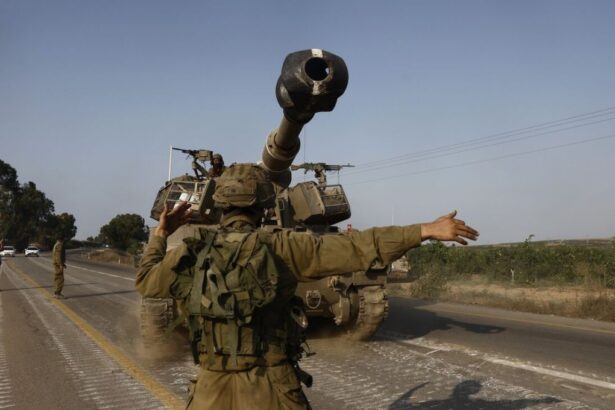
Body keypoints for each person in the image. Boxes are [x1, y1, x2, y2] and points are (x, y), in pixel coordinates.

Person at [136, 163, 479, 410]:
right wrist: (424, 230)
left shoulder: (190, 251)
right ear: (264, 205)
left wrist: (161, 235)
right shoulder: (284, 246)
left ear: (217, 203)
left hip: (210, 388)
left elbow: (148, 282)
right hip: (272, 386)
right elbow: (360, 247)